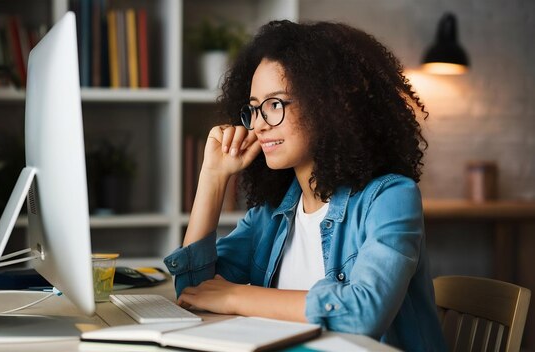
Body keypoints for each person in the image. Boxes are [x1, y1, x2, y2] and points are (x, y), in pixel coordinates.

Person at [164, 20, 447, 351]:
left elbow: (363, 313)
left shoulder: (391, 197)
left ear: (328, 105)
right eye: (254, 109)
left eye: (274, 104)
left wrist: (237, 295)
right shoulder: (271, 214)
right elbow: (194, 291)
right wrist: (212, 177)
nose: (257, 125)